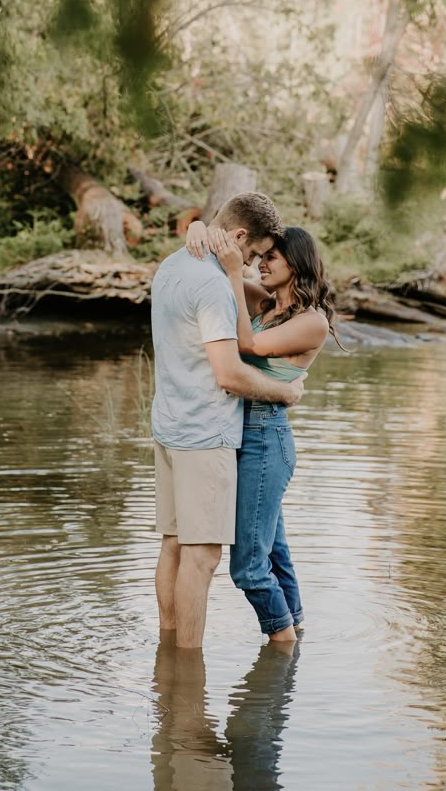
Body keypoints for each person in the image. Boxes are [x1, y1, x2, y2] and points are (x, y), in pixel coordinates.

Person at [151, 194, 307, 650]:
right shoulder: (215, 286)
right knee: (201, 558)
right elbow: (228, 373)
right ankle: (187, 673)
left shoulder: (170, 267)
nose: (255, 263)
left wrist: (199, 227)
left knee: (174, 545)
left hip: (168, 426)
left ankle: (168, 652)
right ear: (238, 239)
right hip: (204, 434)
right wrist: (285, 392)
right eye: (255, 253)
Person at [186, 221, 334, 642]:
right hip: (243, 435)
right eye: (260, 255)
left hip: (266, 440)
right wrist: (199, 226)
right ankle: (295, 634)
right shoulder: (265, 303)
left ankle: (281, 645)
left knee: (248, 567)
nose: (261, 263)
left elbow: (246, 345)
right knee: (274, 553)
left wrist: (238, 274)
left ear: (297, 262)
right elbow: (216, 268)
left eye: (271, 256)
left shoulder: (313, 322)